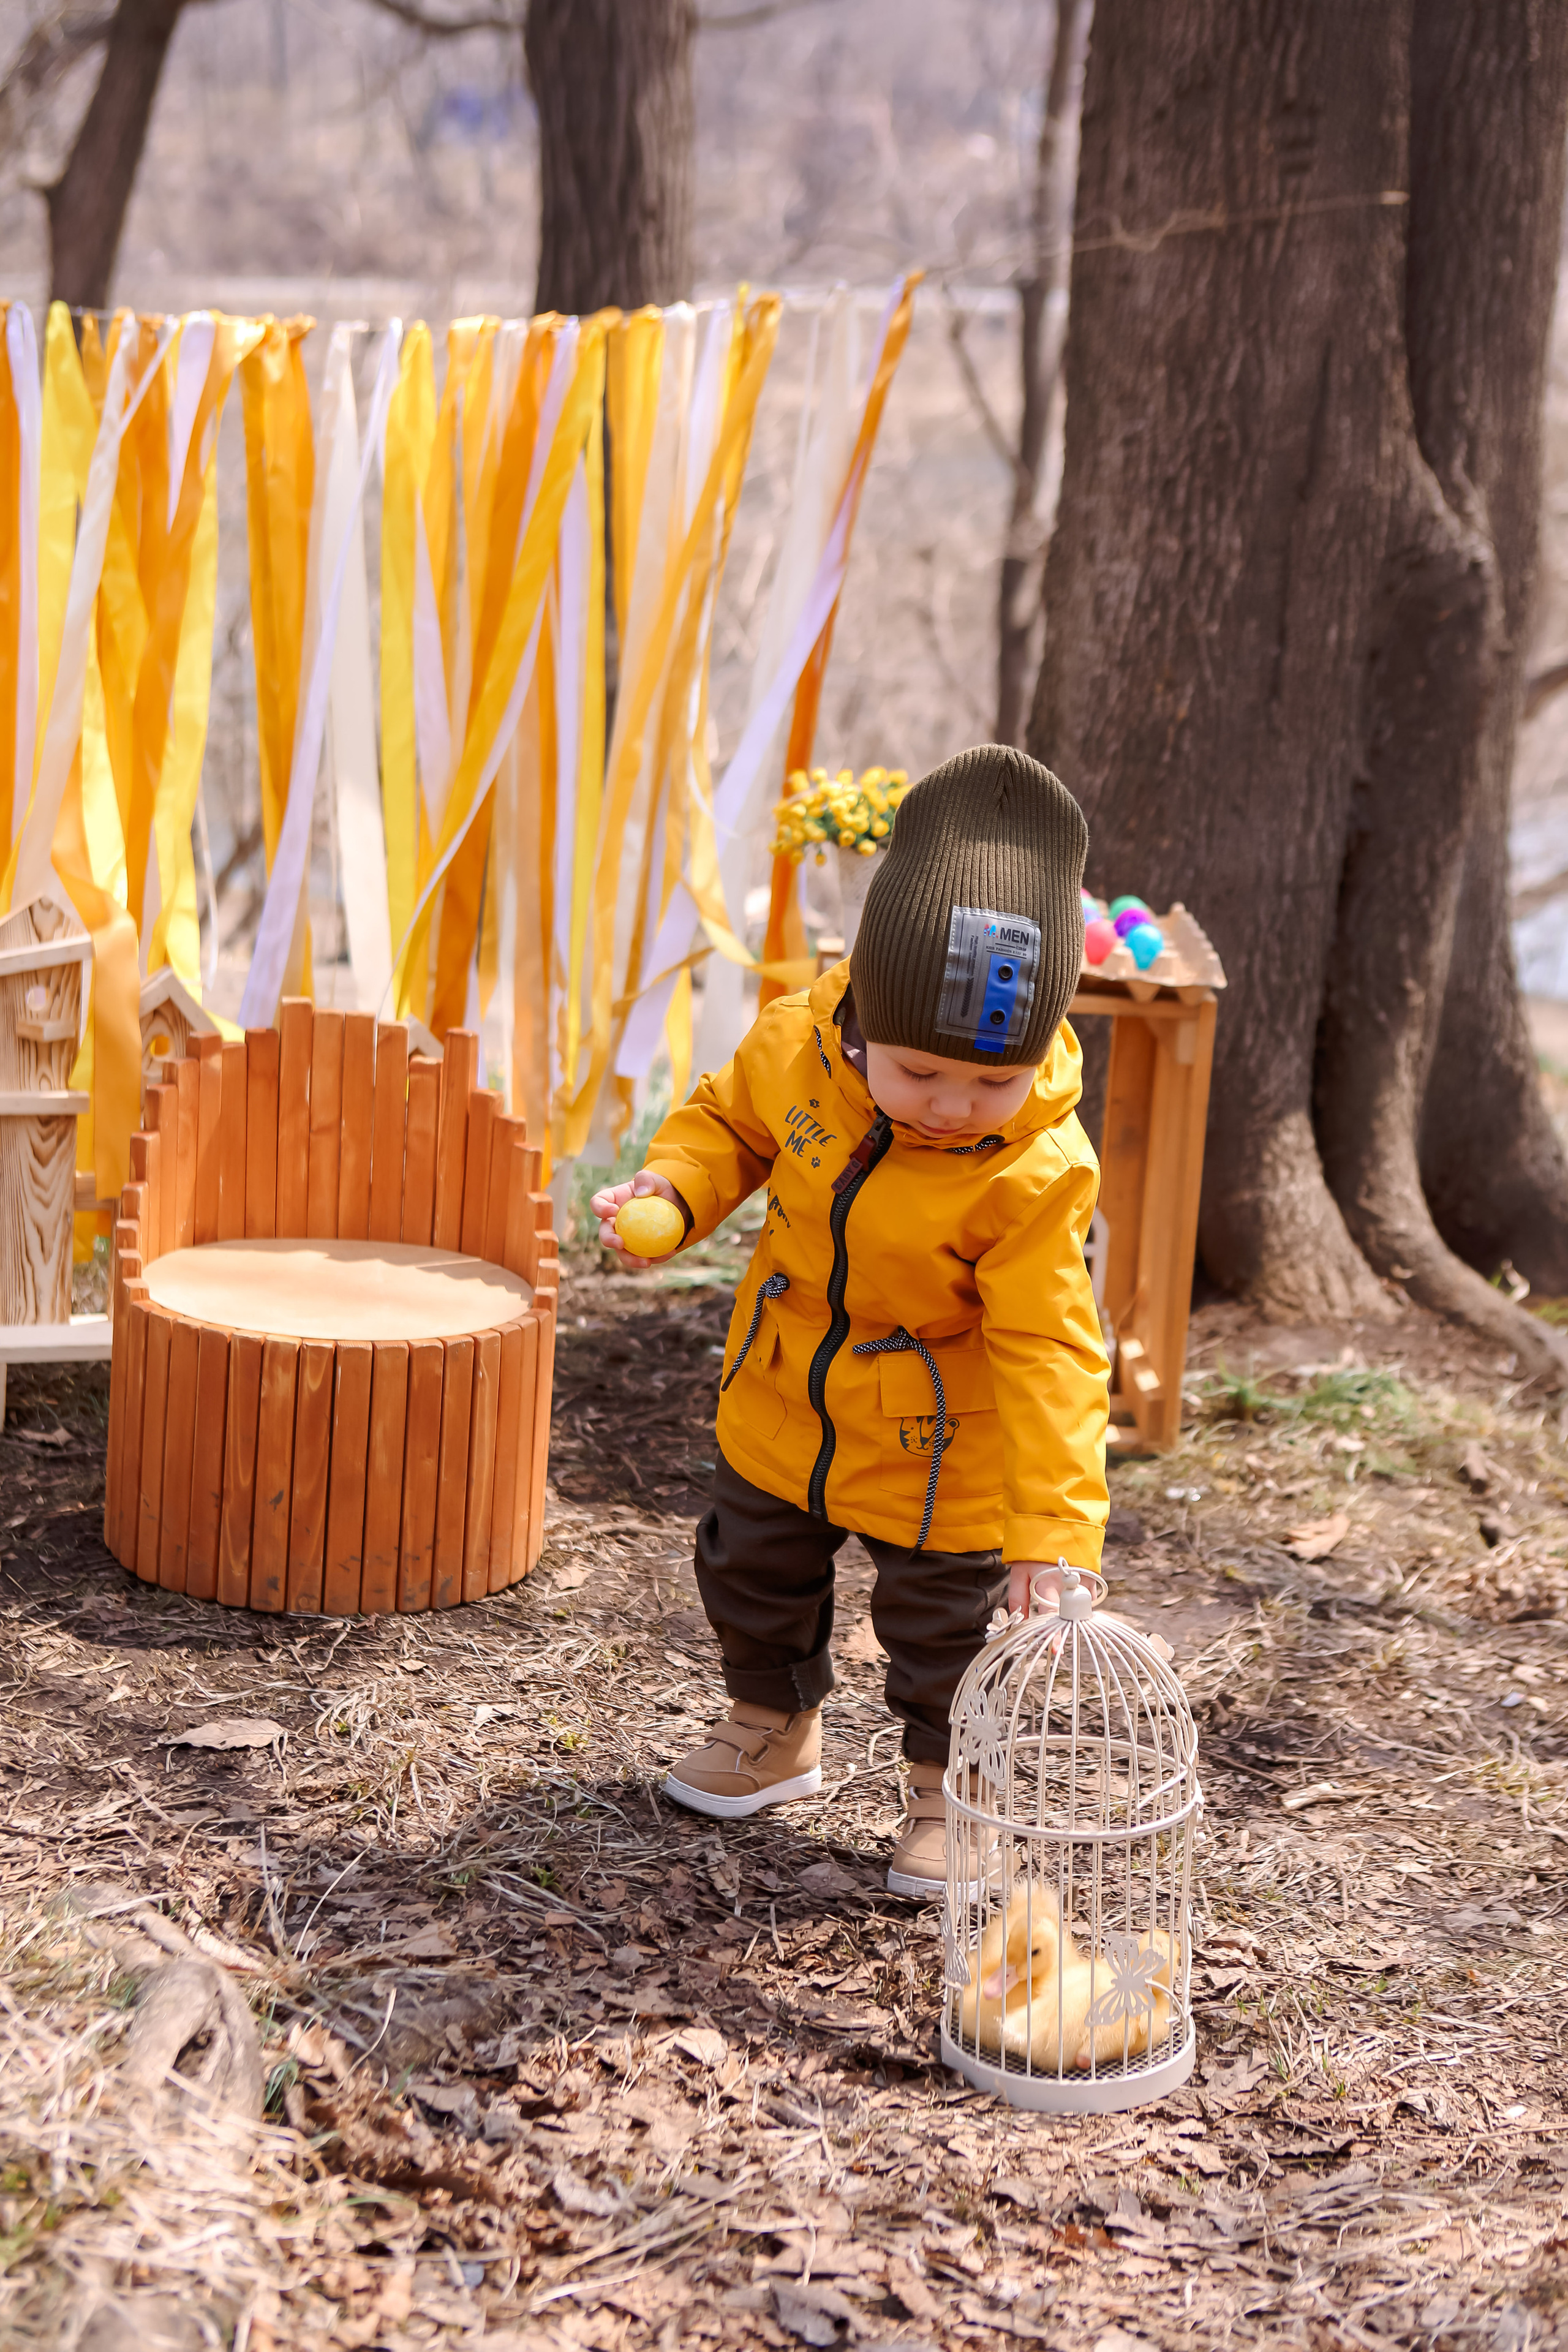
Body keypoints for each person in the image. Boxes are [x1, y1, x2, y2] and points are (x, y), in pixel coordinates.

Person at [590, 745, 1109, 1897]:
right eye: (923, 1073)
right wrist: (673, 1197)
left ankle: (943, 1788)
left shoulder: (1033, 1174)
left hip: (942, 1452)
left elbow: (1052, 1351)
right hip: (788, 1394)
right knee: (752, 1568)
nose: (953, 1105)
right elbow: (725, 1125)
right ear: (865, 1022)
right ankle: (772, 1727)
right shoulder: (798, 1045)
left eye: (991, 1083)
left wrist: (1052, 1531)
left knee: (943, 1635)